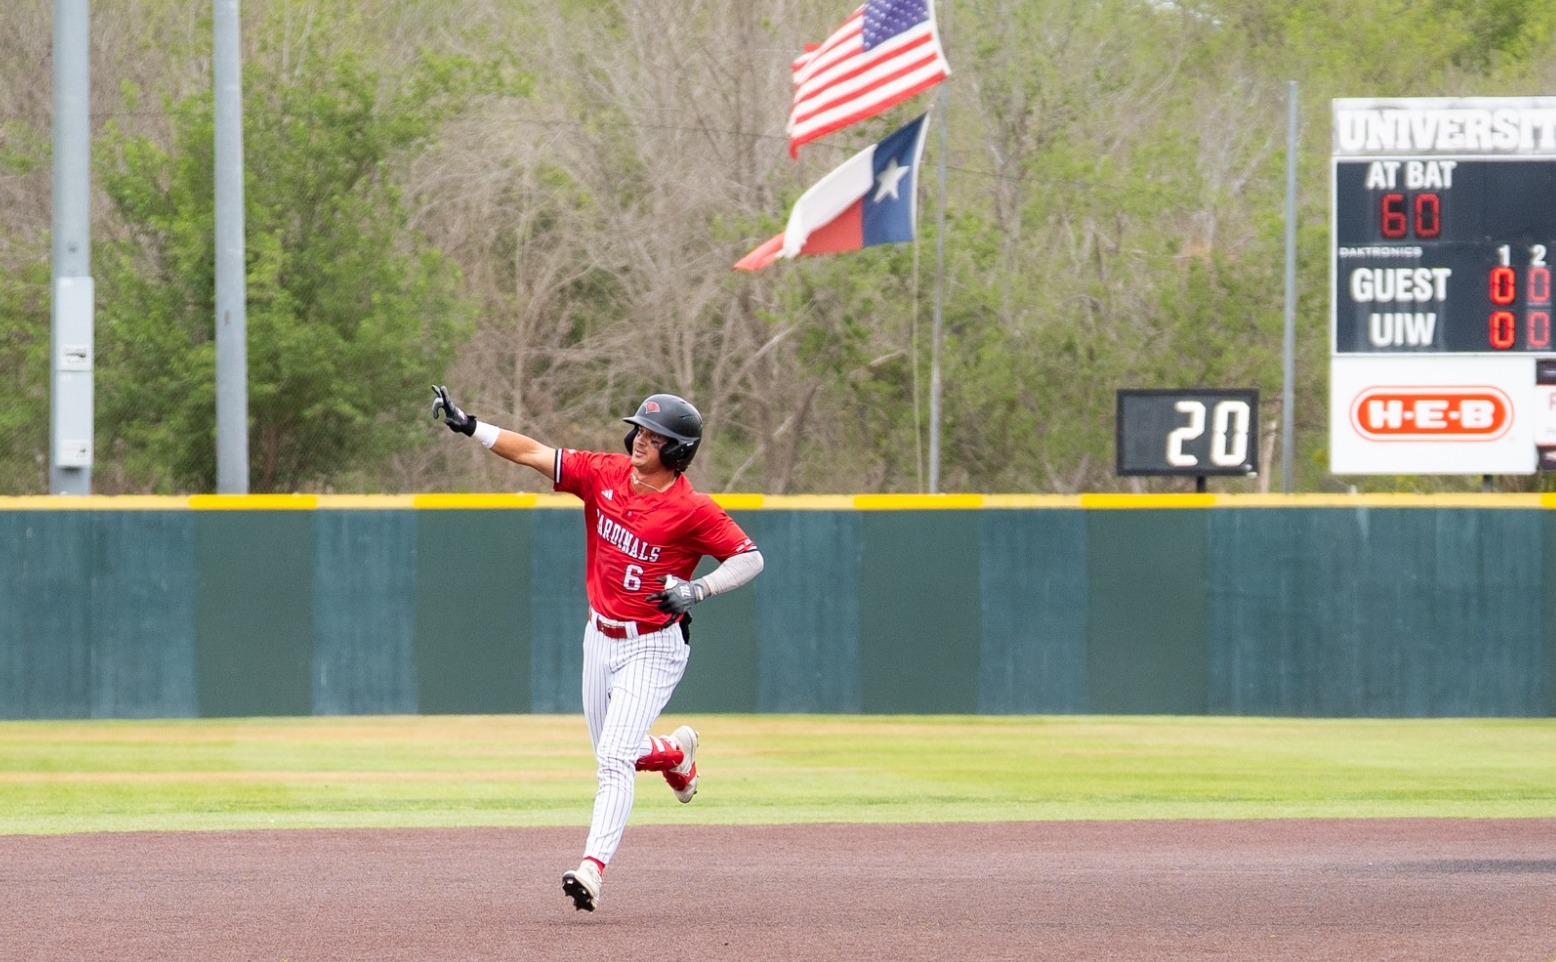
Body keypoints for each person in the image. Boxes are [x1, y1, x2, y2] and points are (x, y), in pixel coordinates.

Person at [431, 385, 764, 913]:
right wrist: (473, 426)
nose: (641, 440)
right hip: (601, 636)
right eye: (641, 430)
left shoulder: (693, 510)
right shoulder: (604, 473)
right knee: (616, 753)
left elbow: (750, 558)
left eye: (656, 437)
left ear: (677, 451)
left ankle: (592, 869)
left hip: (654, 644)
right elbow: (535, 453)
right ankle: (676, 753)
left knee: (612, 759)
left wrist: (698, 589)